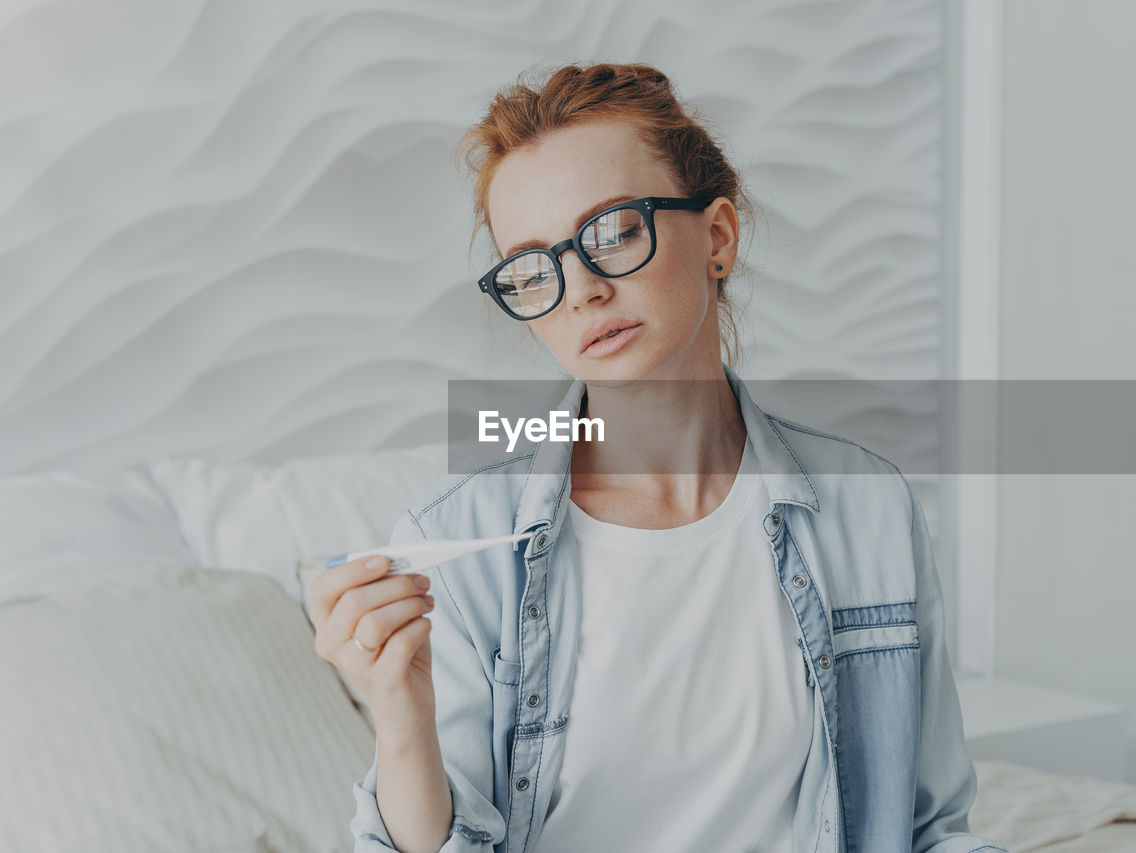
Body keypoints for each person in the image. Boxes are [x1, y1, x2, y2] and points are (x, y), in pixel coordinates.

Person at [311, 61, 1007, 853]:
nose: (581, 290)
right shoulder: (464, 546)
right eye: (534, 267)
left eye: (611, 231)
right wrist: (402, 720)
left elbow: (928, 828)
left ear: (716, 236)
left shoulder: (867, 506)